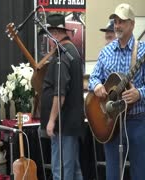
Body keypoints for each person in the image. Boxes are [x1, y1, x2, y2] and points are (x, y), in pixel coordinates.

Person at [88, 3, 145, 180]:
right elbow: (93, 77)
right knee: (112, 174)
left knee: (139, 172)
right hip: (110, 124)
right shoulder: (106, 52)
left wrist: (140, 93)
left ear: (132, 24)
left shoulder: (142, 51)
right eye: (116, 21)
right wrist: (97, 86)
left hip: (136, 122)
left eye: (122, 21)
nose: (117, 25)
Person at [39, 13, 85, 180]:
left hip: (63, 124)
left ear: (55, 33)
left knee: (61, 171)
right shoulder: (71, 52)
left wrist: (52, 120)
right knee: (73, 169)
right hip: (69, 124)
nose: (49, 40)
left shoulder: (63, 55)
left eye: (48, 35)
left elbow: (60, 92)